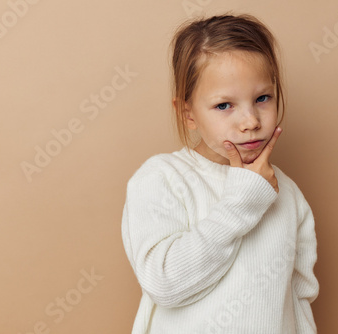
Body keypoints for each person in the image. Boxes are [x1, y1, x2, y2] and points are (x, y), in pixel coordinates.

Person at [121, 13, 319, 334]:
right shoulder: (162, 178)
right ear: (188, 115)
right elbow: (164, 284)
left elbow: (299, 298)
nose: (251, 121)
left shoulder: (287, 191)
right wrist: (241, 202)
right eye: (225, 105)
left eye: (262, 98)